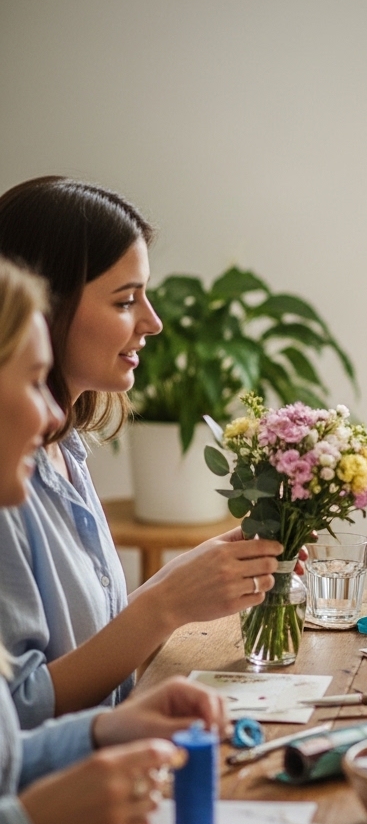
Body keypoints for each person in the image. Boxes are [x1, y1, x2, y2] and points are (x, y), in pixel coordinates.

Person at [0, 177, 285, 727]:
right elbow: (19, 716)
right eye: (126, 300)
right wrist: (166, 605)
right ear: (46, 309)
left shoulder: (68, 451)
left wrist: (188, 584)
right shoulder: (10, 487)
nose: (152, 322)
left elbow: (92, 647)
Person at [0, 255, 226, 824]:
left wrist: (105, 728)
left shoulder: (65, 454)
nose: (50, 416)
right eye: (31, 381)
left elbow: (6, 758)